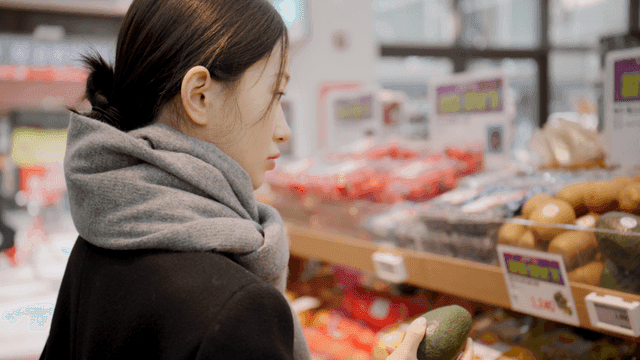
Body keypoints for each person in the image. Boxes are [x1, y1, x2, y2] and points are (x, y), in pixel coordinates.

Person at [40, 0, 474, 359]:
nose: (284, 129)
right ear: (200, 96)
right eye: (275, 94)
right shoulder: (235, 310)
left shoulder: (101, 237)